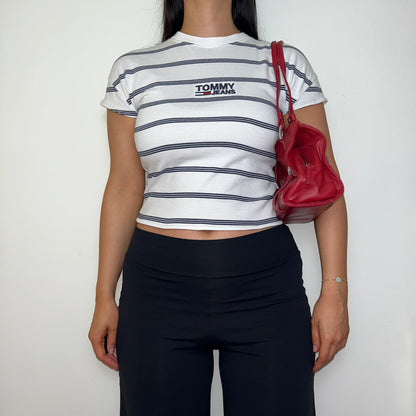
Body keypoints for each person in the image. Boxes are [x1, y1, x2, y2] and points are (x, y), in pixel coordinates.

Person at [88, 0, 350, 415]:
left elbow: (327, 186)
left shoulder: (284, 65)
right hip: (158, 285)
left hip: (264, 284)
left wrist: (334, 293)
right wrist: (104, 295)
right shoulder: (132, 70)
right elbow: (123, 185)